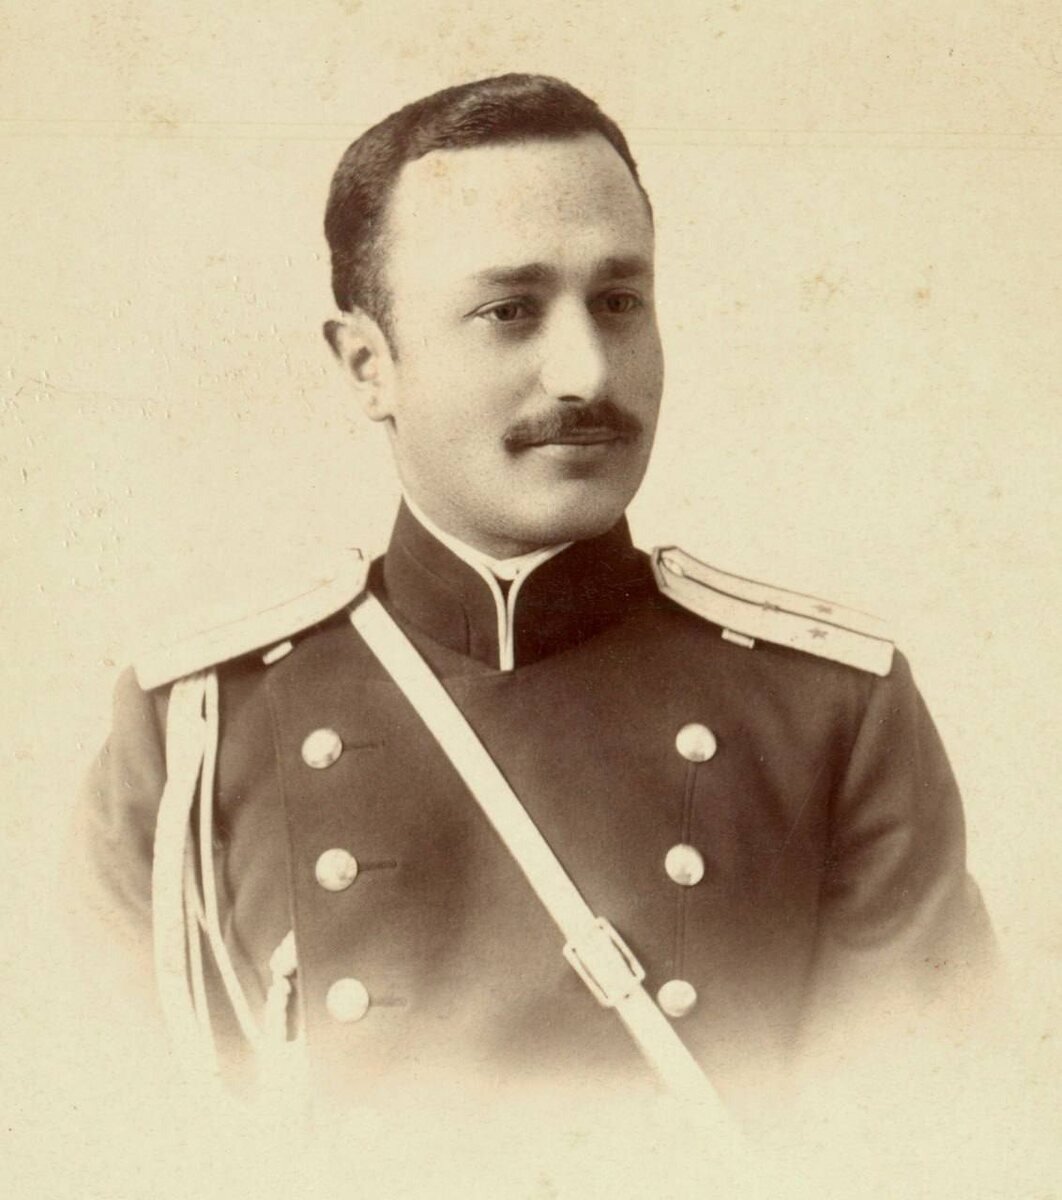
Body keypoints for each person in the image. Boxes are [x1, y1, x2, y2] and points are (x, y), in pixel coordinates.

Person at [73, 73, 993, 1120]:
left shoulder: (831, 711)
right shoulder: (198, 724)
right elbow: (114, 1139)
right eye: (509, 311)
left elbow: (921, 1144)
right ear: (368, 366)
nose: (586, 374)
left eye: (619, 302)